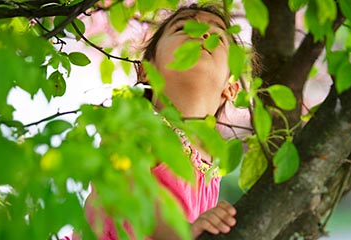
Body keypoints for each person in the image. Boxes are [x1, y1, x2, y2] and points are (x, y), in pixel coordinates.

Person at [84, 3, 253, 240]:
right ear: (147, 71)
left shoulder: (214, 165)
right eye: (183, 28)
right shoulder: (134, 121)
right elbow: (125, 192)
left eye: (216, 36)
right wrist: (183, 232)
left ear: (231, 88)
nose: (202, 34)